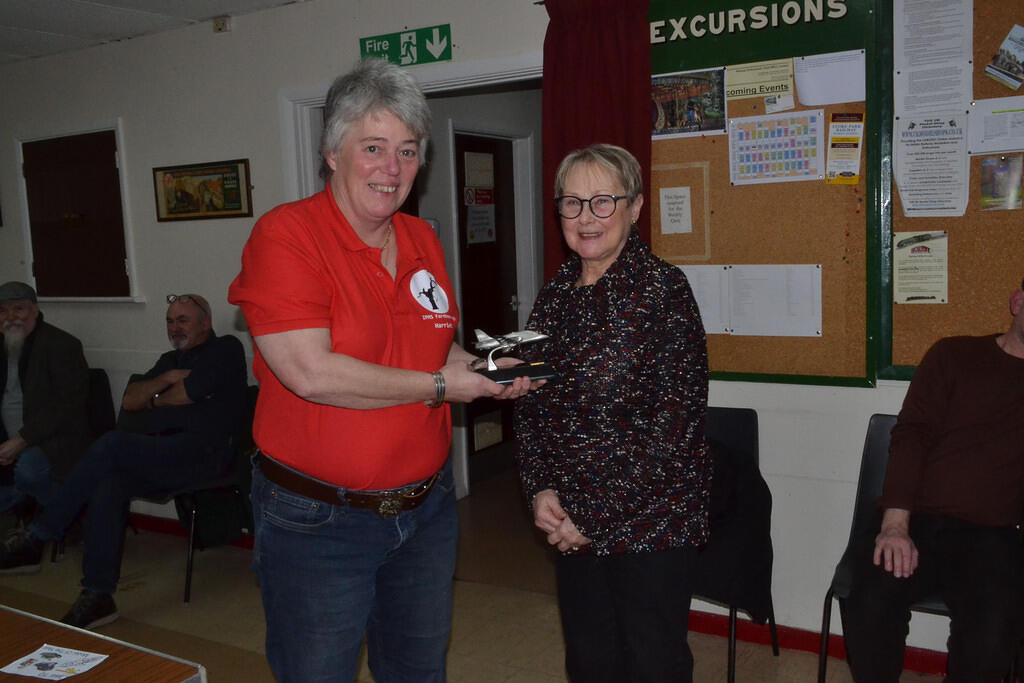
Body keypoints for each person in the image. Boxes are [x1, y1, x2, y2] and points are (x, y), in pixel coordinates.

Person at [228, 58, 539, 683]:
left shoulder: (421, 237)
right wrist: (447, 387)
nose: (392, 169)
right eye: (373, 147)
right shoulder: (286, 237)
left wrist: (499, 364)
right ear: (331, 152)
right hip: (319, 521)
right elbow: (312, 373)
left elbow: (434, 353)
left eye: (407, 150)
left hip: (425, 513)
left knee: (419, 672)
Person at [514, 143, 712, 682]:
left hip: (651, 527)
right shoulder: (552, 297)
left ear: (636, 207)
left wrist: (593, 519)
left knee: (651, 663)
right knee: (590, 660)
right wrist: (540, 490)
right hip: (570, 521)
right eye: (572, 203)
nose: (586, 218)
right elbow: (527, 404)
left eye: (603, 201)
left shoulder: (665, 291)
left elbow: (675, 430)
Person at [0, 293, 247, 630]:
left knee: (113, 443)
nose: (175, 327)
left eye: (183, 320)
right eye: (170, 321)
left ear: (205, 323)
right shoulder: (168, 361)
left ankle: (39, 535)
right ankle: (98, 595)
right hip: (164, 455)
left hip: (206, 456)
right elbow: (130, 400)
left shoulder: (226, 349)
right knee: (108, 484)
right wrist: (162, 383)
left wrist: (156, 400)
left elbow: (184, 394)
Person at [842, 278, 1024, 682]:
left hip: (991, 534)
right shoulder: (954, 355)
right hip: (914, 518)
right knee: (870, 598)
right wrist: (894, 525)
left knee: (995, 625)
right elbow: (911, 434)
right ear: (1017, 301)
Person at [0, 281, 89, 519]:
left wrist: (22, 439)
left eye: (19, 309)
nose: (11, 317)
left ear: (35, 311)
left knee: (28, 472)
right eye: (3, 310)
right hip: (7, 437)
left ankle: (66, 515)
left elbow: (66, 406)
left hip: (53, 439)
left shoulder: (62, 345)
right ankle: (26, 510)